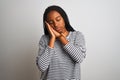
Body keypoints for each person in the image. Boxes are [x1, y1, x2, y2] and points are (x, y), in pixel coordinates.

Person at [36, 5, 86, 80]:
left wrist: (60, 37)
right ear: (47, 25)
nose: (55, 25)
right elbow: (42, 67)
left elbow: (79, 58)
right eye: (51, 22)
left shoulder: (77, 36)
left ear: (64, 19)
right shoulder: (45, 39)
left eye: (58, 19)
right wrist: (52, 39)